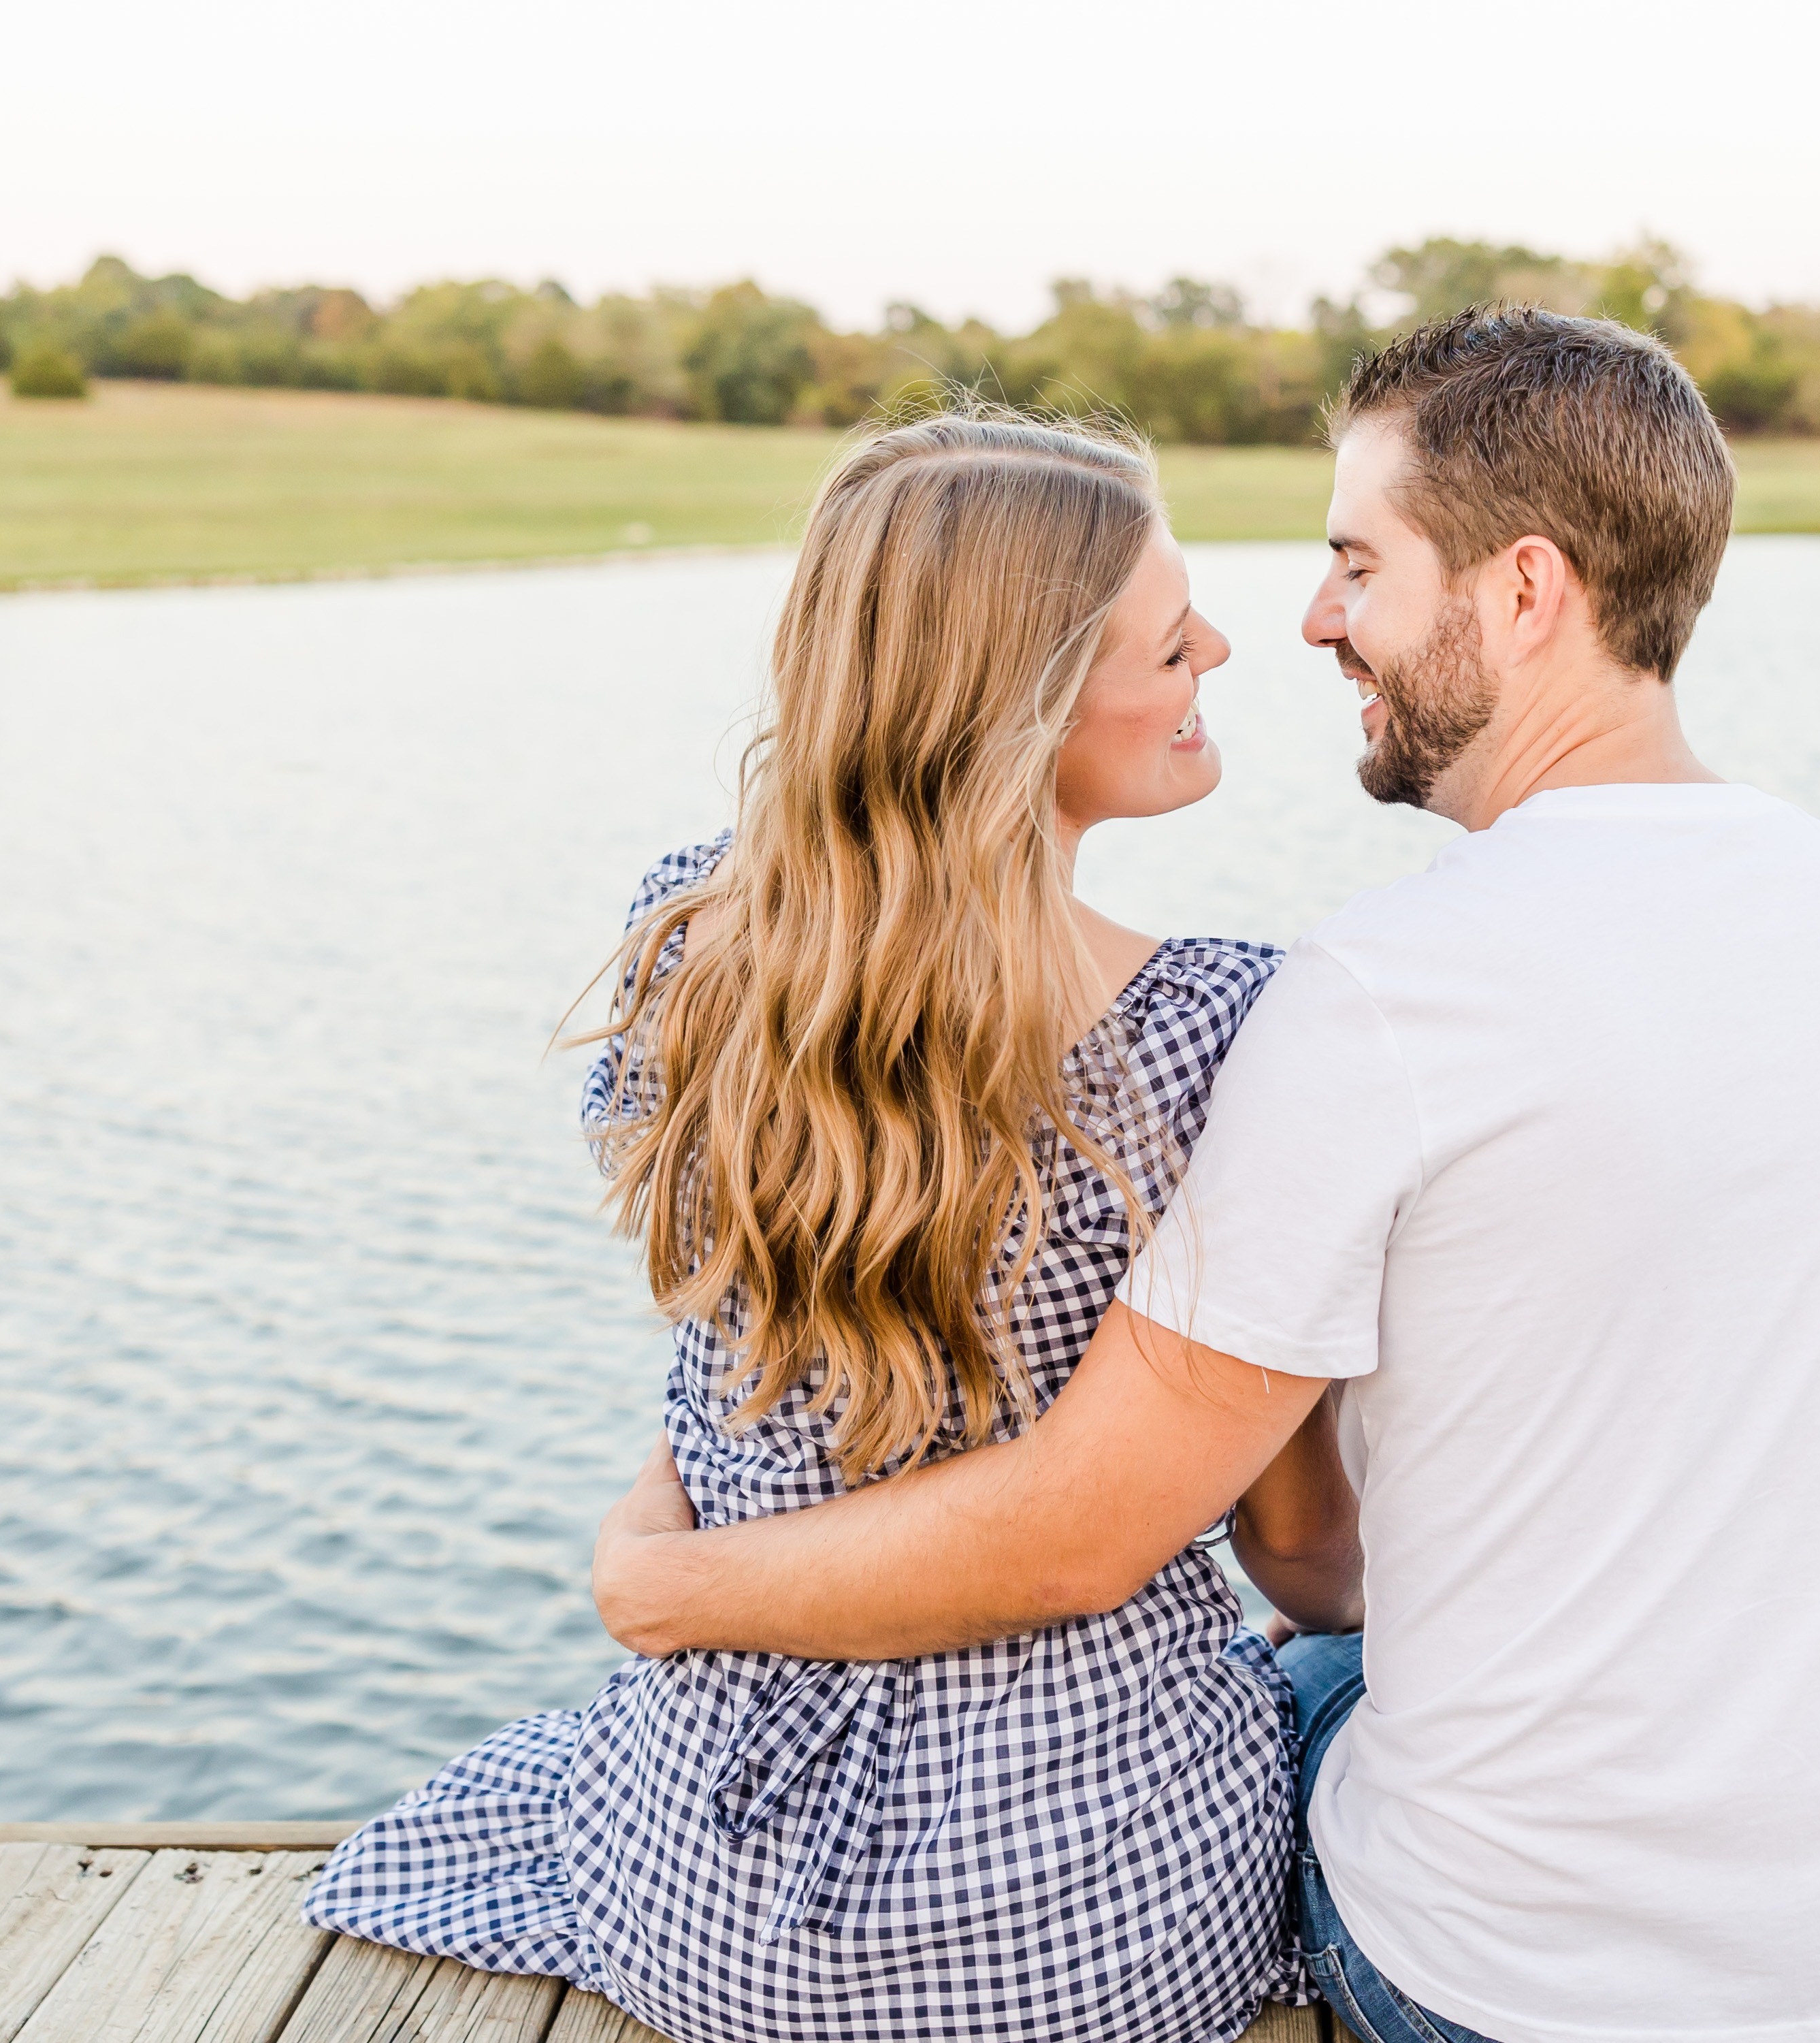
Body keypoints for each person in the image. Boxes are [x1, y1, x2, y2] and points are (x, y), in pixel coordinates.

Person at [591, 312, 1820, 2043]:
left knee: (1326, 1663)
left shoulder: (1374, 993)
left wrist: (667, 1582)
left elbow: (1150, 1543)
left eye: (1356, 561)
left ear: (1520, 594)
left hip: (1513, 1984)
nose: (1301, 621)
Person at [303, 411, 1359, 2043]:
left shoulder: (693, 953)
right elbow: (1291, 1542)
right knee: (1332, 1680)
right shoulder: (1218, 1030)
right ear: (1021, 705)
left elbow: (712, 1386)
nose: (1220, 645)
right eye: (1169, 636)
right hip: (1078, 1930)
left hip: (708, 1900)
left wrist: (658, 1563)